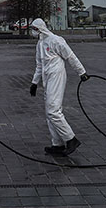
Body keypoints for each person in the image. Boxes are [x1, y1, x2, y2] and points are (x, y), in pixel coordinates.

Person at [28, 19, 89, 157]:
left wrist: (81, 72)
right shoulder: (40, 44)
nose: (32, 31)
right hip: (47, 77)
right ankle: (57, 144)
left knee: (53, 111)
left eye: (34, 29)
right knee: (49, 112)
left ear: (39, 29)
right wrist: (34, 82)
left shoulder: (56, 40)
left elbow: (70, 56)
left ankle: (71, 139)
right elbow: (39, 65)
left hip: (56, 75)